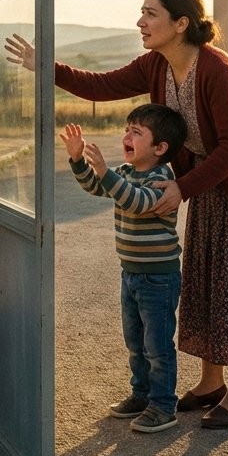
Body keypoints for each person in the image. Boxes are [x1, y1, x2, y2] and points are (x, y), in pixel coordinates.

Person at [7, 0, 228, 429]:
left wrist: (183, 189)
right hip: (209, 185)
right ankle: (210, 383)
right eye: (141, 12)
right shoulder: (156, 65)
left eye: (151, 14)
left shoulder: (219, 71)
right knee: (207, 281)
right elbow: (100, 84)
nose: (141, 21)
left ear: (181, 23)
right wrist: (42, 65)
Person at [60, 104, 188, 434]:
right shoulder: (127, 173)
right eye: (127, 129)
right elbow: (96, 186)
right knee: (135, 341)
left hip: (159, 278)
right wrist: (78, 160)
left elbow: (137, 202)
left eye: (136, 132)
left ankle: (163, 405)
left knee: (157, 346)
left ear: (160, 148)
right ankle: (141, 395)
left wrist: (106, 172)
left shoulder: (162, 179)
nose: (126, 136)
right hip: (130, 273)